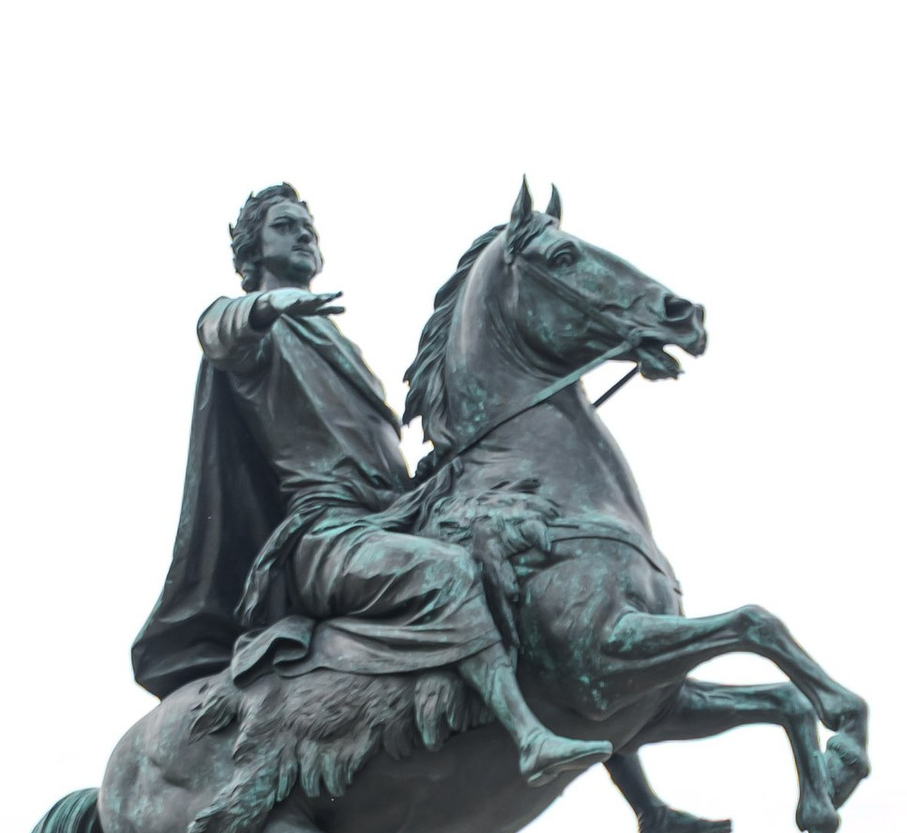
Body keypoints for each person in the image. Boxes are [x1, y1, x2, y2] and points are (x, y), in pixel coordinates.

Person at [131, 181, 608, 788]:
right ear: (251, 255)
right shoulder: (257, 332)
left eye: (309, 227)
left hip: (387, 517)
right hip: (324, 535)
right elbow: (214, 331)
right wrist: (260, 309)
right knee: (446, 573)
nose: (304, 233)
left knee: (533, 574)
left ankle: (644, 798)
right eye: (284, 226)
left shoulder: (337, 340)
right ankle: (529, 738)